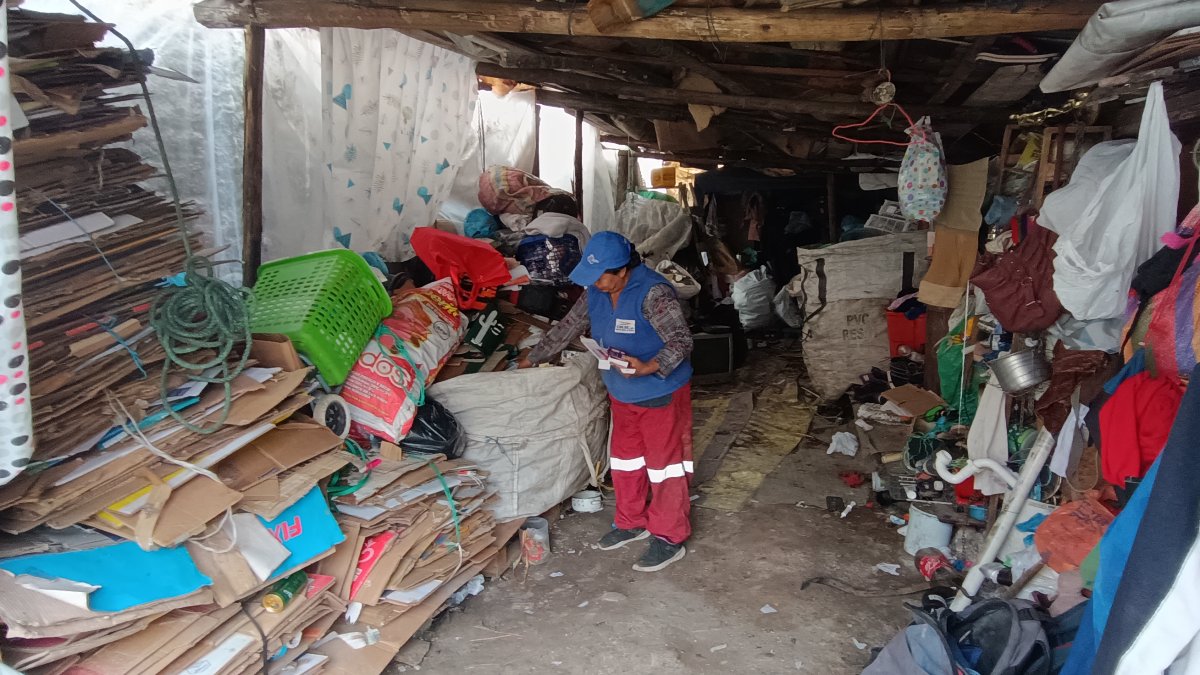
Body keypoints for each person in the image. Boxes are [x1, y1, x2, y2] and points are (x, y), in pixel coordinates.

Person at [519, 231, 694, 572]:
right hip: (621, 393)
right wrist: (534, 356)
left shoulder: (654, 293)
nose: (595, 284)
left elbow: (681, 340)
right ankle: (631, 522)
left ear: (622, 270)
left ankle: (670, 536)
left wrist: (649, 366)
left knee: (665, 467)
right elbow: (569, 326)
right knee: (626, 461)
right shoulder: (596, 291)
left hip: (660, 392)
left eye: (600, 277)